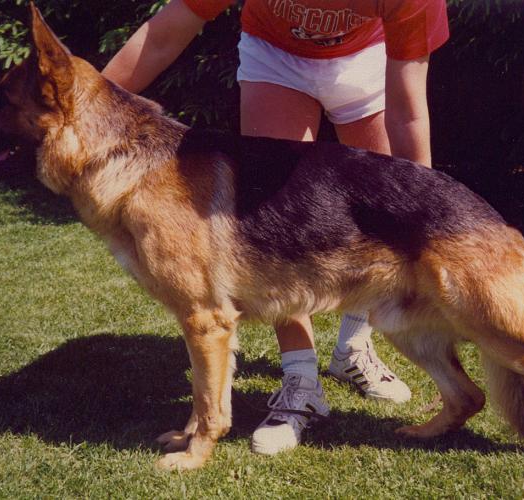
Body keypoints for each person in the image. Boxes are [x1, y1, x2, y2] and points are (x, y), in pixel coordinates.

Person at [102, 0, 449, 456]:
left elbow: (408, 116)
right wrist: (83, 103)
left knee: (386, 210)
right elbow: (164, 34)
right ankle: (300, 378)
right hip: (277, 59)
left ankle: (354, 350)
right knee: (276, 222)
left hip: (368, 62)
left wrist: (424, 212)